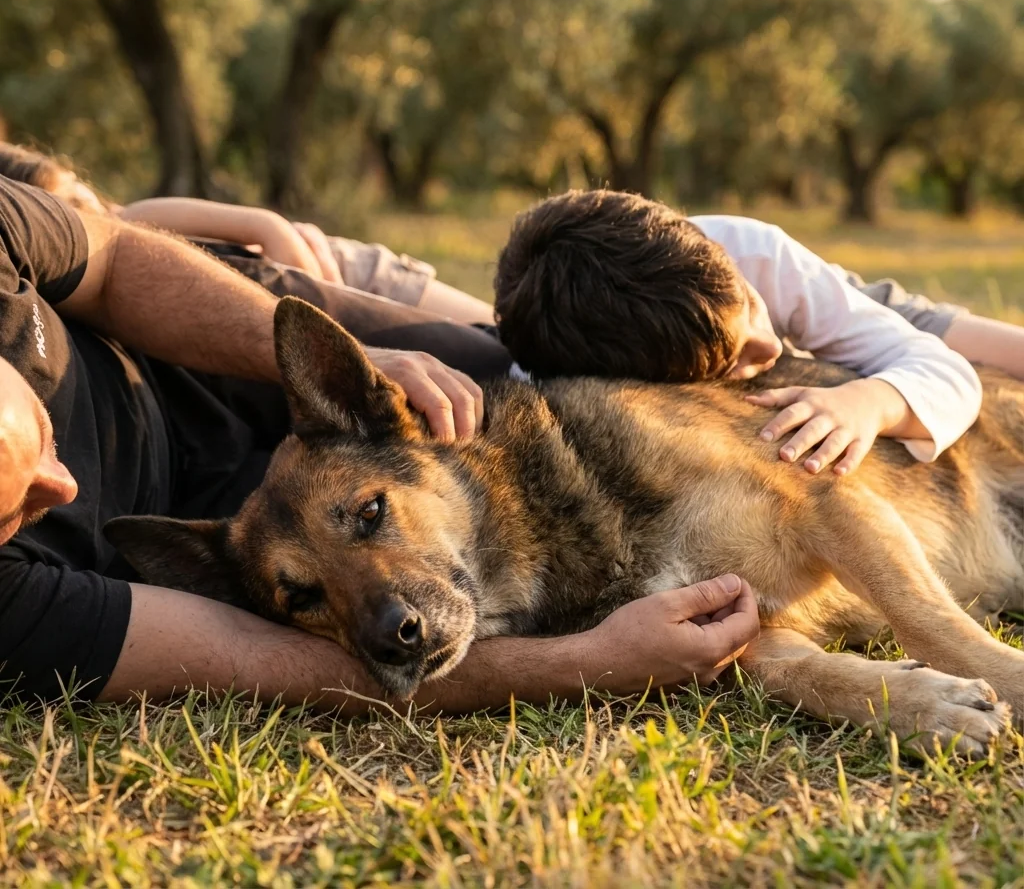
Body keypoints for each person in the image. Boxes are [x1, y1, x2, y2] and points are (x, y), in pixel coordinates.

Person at [0, 174, 759, 707]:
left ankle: (809, 356)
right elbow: (245, 656)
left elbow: (117, 258)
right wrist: (592, 662)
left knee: (523, 360)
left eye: (32, 438)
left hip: (220, 346)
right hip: (227, 530)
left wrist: (362, 366)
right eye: (11, 511)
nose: (63, 488)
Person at [495, 190, 1022, 476]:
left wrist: (868, 403)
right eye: (734, 361)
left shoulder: (754, 253)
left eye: (747, 308)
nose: (767, 346)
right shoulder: (558, 371)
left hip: (849, 303)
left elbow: (947, 373)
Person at [0, 141, 495, 325]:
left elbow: (267, 228)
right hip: (330, 293)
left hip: (350, 274)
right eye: (70, 211)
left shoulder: (135, 219)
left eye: (78, 197)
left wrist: (335, 308)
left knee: (500, 338)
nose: (87, 212)